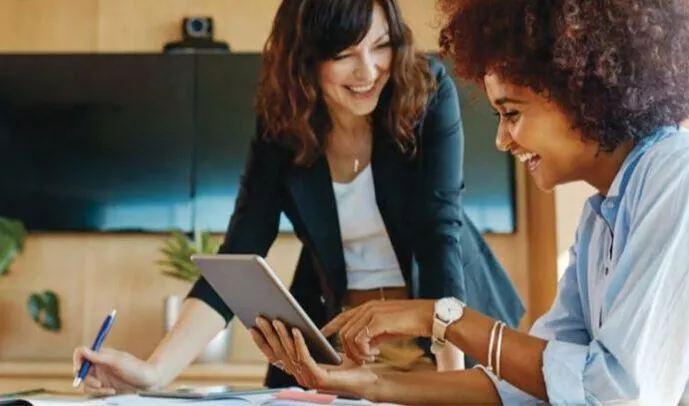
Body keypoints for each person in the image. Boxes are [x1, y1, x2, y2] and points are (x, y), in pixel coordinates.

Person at [250, 0, 689, 404]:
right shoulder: (599, 220)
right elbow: (530, 387)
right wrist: (366, 384)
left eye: (512, 113)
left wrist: (442, 317)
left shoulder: (681, 172)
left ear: (583, 92)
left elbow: (616, 394)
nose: (502, 139)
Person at [71, 0, 524, 395]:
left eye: (381, 45)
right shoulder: (282, 125)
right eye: (344, 54)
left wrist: (451, 385)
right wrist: (153, 372)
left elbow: (438, 231)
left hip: (445, 337)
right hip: (343, 348)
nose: (368, 70)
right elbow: (240, 254)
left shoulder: (426, 91)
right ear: (306, 60)